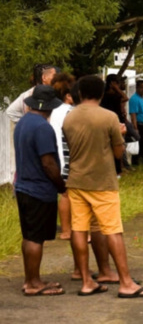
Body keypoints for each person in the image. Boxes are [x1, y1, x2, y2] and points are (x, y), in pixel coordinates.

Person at [63, 76, 143, 298]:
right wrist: (120, 135)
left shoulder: (69, 118)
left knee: (79, 228)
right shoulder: (108, 117)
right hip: (102, 181)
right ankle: (126, 283)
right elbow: (117, 153)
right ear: (101, 94)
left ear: (81, 93)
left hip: (76, 181)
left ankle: (86, 281)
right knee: (113, 229)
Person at [14, 85, 67, 296]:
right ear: (51, 107)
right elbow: (48, 163)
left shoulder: (23, 122)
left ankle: (31, 280)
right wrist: (61, 185)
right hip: (39, 189)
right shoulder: (43, 127)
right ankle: (34, 284)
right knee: (37, 238)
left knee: (29, 236)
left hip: (23, 187)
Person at [49, 74, 76, 240]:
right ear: (68, 96)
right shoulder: (71, 112)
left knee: (64, 195)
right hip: (69, 157)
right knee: (76, 195)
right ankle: (79, 230)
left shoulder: (50, 111)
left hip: (54, 158)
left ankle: (66, 230)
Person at [101, 74, 134, 176]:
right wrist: (115, 88)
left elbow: (125, 98)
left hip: (118, 121)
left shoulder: (116, 95)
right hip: (108, 122)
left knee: (119, 145)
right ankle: (114, 169)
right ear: (111, 83)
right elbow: (125, 97)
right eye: (116, 83)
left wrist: (117, 89)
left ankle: (119, 169)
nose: (119, 85)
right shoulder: (105, 96)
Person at [128, 80, 143, 166]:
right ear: (137, 88)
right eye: (142, 87)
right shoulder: (134, 99)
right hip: (140, 125)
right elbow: (133, 115)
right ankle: (137, 164)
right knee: (140, 146)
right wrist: (135, 128)